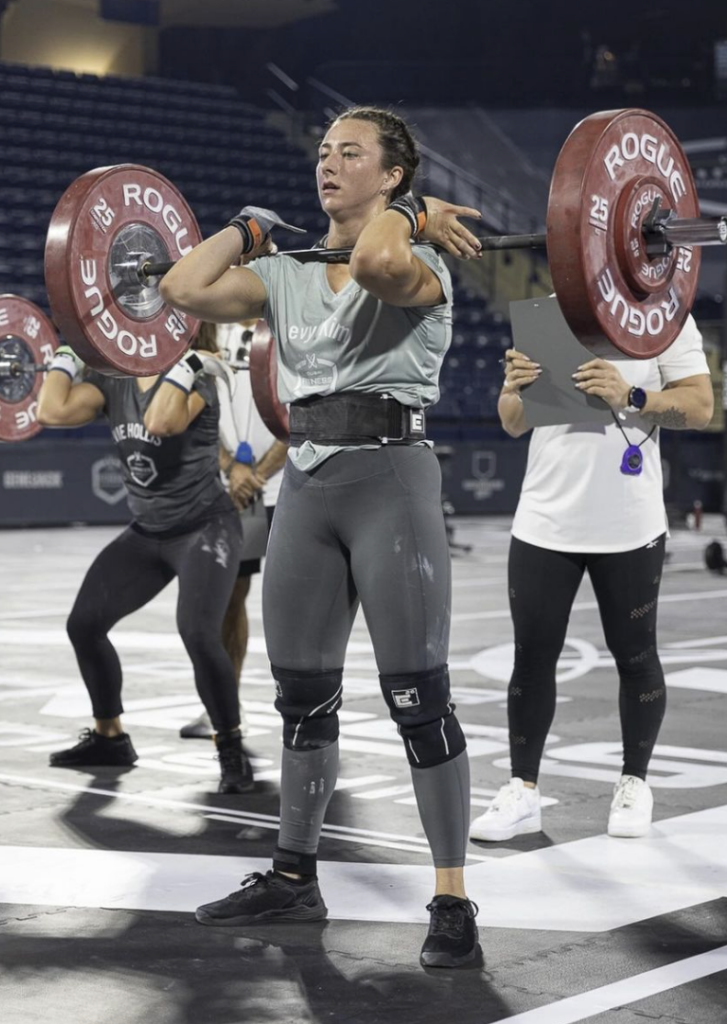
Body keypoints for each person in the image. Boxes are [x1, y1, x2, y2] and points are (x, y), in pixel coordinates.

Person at [160, 105, 485, 967]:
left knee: (418, 699)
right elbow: (181, 290)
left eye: (351, 154)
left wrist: (413, 216)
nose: (328, 164)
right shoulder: (287, 270)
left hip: (391, 484)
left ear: (393, 176)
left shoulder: (418, 261)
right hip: (304, 488)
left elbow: (378, 257)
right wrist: (246, 227)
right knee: (303, 699)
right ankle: (294, 876)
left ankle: (452, 900)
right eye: (322, 152)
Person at [469, 314, 713, 843]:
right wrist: (514, 388)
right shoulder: (552, 310)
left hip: (629, 521)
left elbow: (700, 407)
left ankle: (634, 782)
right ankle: (523, 791)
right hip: (545, 517)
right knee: (531, 659)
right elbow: (512, 421)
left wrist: (634, 395)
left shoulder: (662, 315)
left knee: (636, 656)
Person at [38, 332, 254, 794]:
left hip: (205, 527)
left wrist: (188, 363)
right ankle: (109, 736)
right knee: (84, 624)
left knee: (198, 631)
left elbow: (160, 422)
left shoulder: (197, 379)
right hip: (148, 533)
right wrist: (69, 350)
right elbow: (51, 410)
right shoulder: (113, 380)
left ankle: (230, 748)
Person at [180, 318, 288, 740]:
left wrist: (258, 474)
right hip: (227, 485)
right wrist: (232, 467)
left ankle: (308, 708)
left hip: (287, 484)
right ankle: (225, 709)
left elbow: (305, 405)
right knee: (228, 598)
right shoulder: (207, 324)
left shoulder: (285, 317)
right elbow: (192, 401)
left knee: (298, 605)